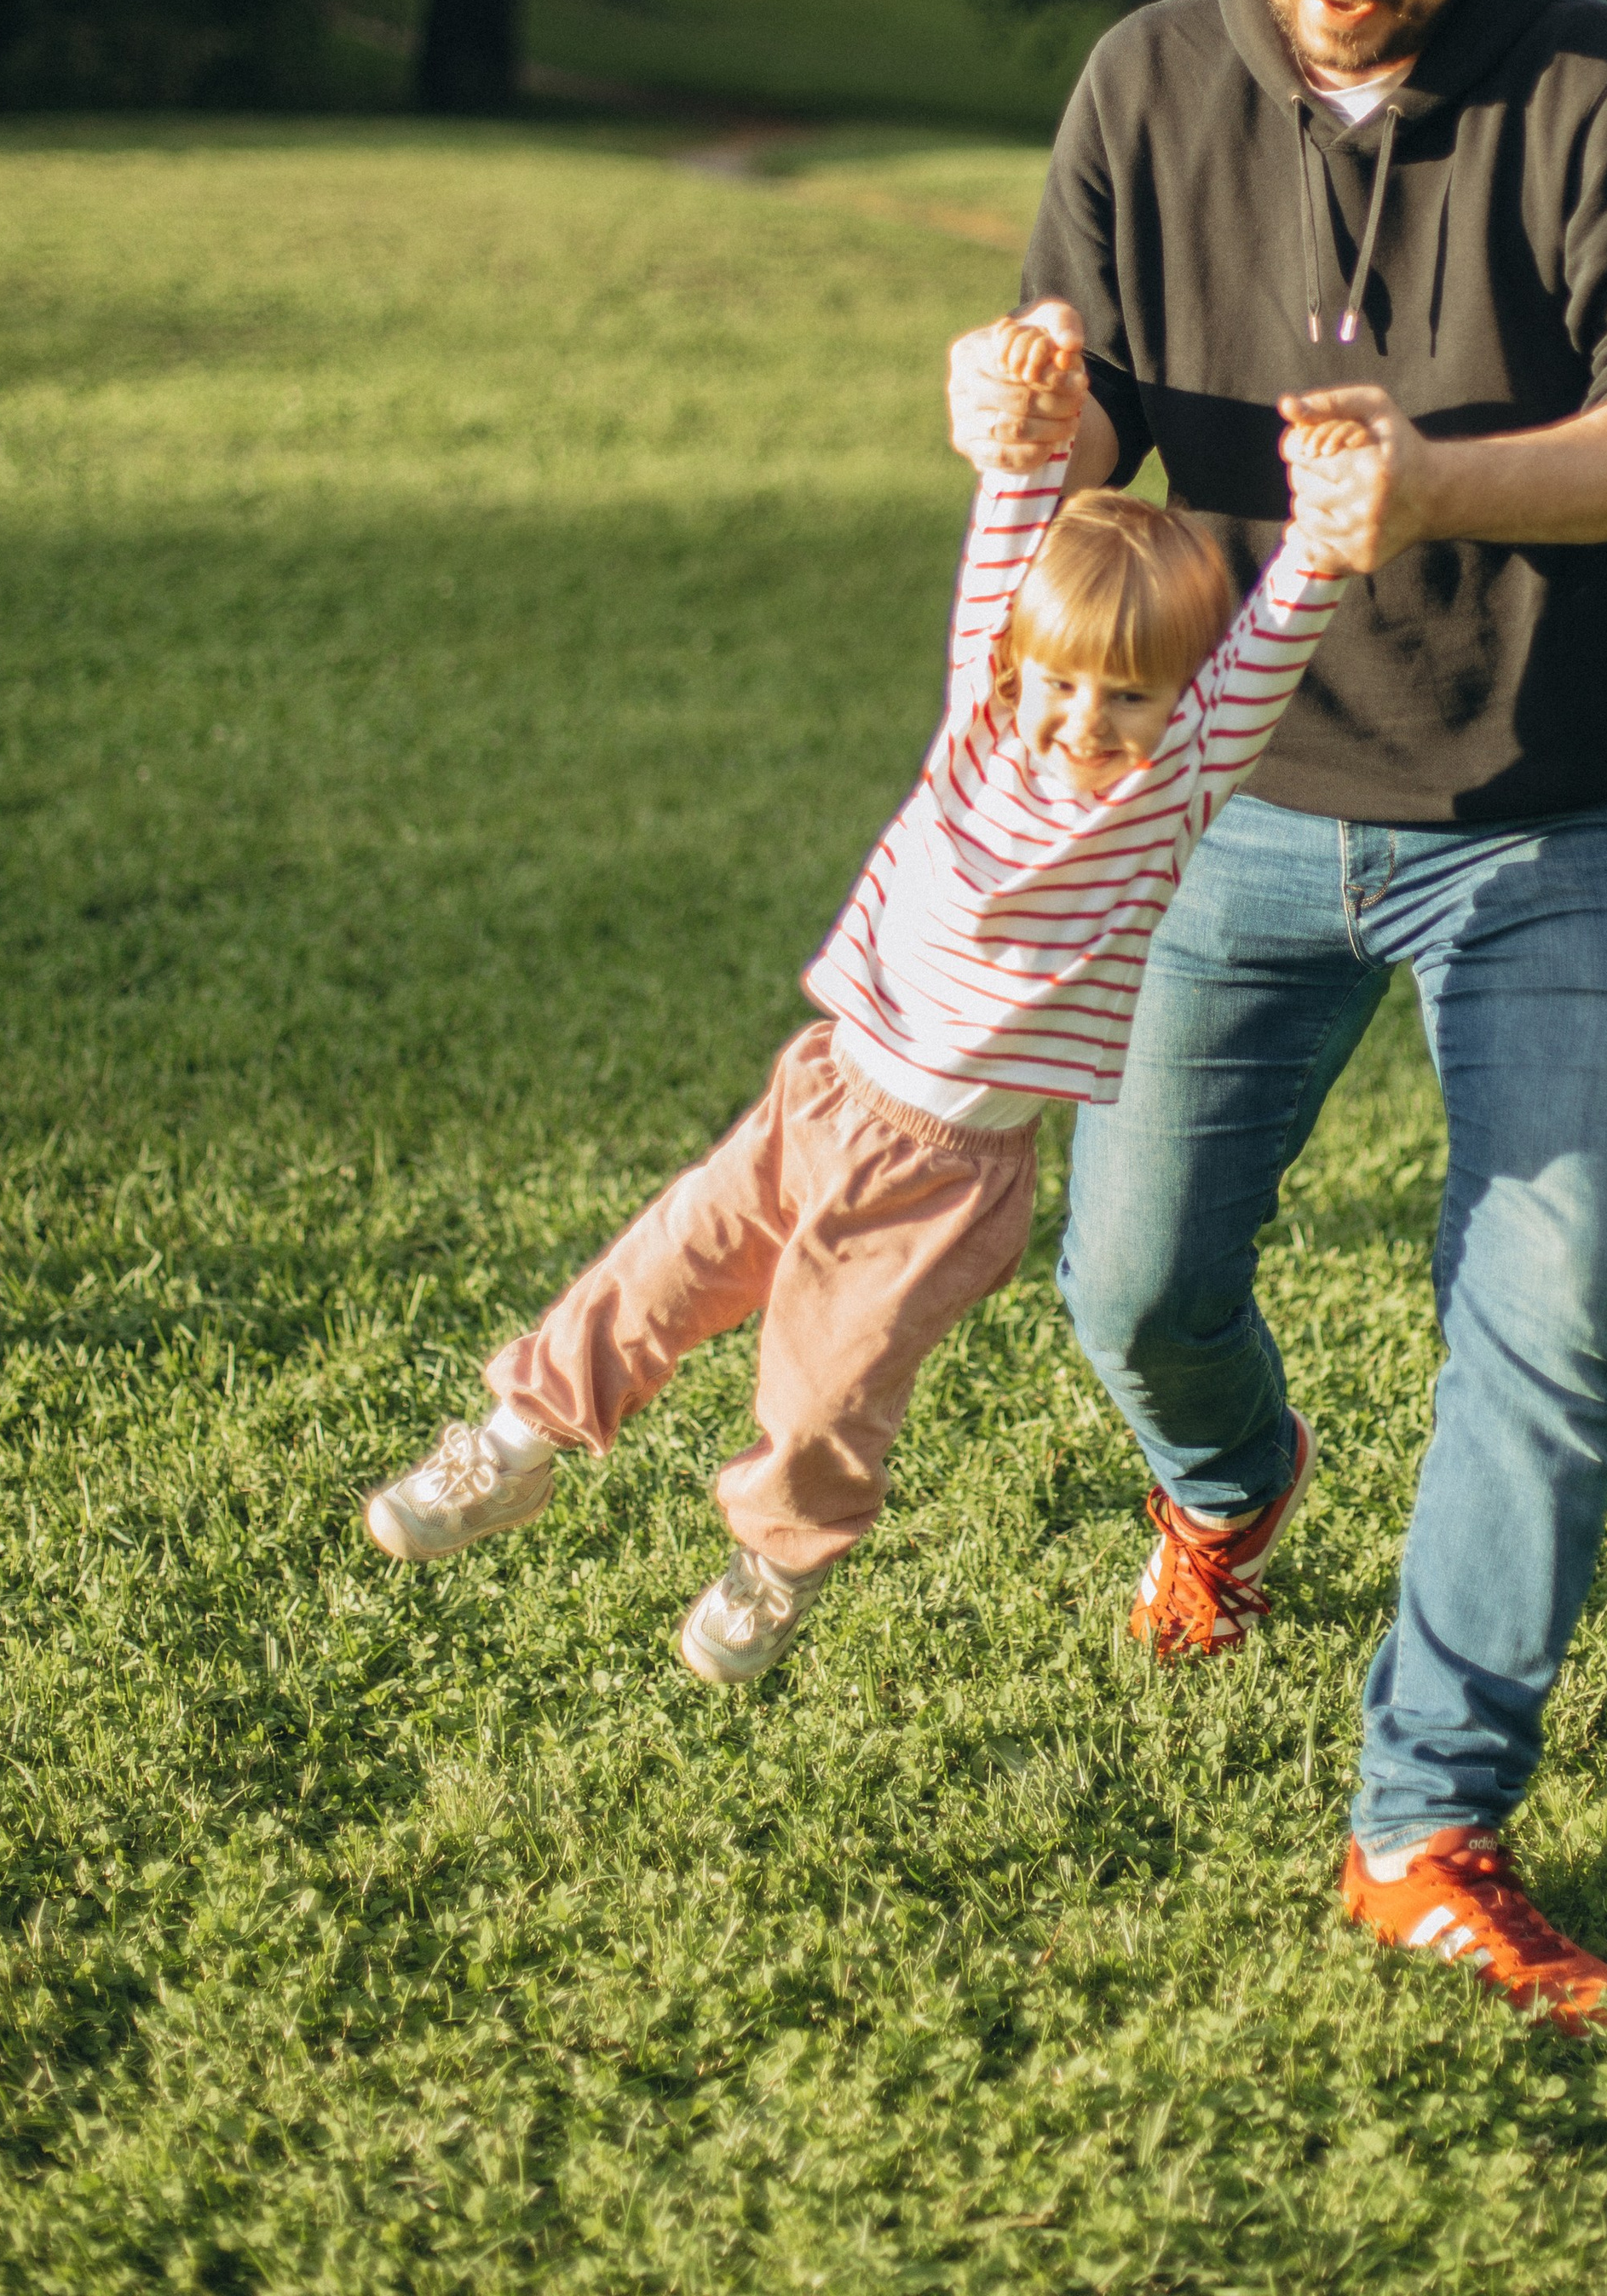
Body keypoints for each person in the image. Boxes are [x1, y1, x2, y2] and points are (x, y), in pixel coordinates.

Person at [946, 0, 1607, 2033]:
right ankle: (1230, 1481)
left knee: (1548, 1312)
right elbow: (1087, 407)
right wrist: (1017, 406)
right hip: (1229, 797)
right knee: (1126, 1290)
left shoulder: (1603, 95)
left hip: (1551, 821)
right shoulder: (1145, 79)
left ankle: (1427, 1817)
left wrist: (1437, 479)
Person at [364, 306, 1389, 1685]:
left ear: (1183, 708)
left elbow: (1271, 638)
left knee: (825, 1381)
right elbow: (1007, 528)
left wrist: (1324, 531)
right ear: (1024, 669)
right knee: (664, 1265)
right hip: (829, 1083)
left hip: (947, 1169)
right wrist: (1033, 400)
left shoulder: (1172, 790)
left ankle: (777, 1562)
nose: (1090, 722)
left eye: (1132, 699)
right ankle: (514, 1443)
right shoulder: (986, 704)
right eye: (1069, 685)